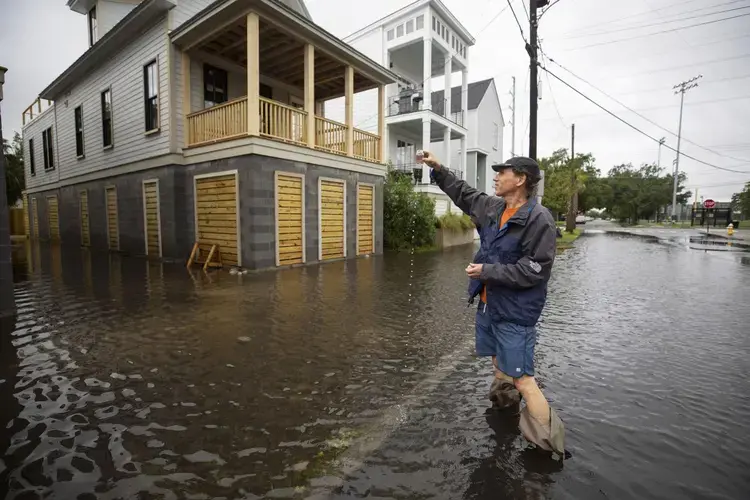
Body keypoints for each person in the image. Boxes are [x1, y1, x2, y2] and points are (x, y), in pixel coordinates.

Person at [423, 151, 565, 455]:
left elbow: (535, 270)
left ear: (521, 179)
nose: (496, 176)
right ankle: (504, 409)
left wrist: (487, 271)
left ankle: (549, 446)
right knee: (499, 363)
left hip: (515, 312)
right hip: (489, 305)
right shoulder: (492, 207)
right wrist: (438, 168)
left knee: (524, 379)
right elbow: (463, 192)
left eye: (503, 172)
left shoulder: (539, 220)